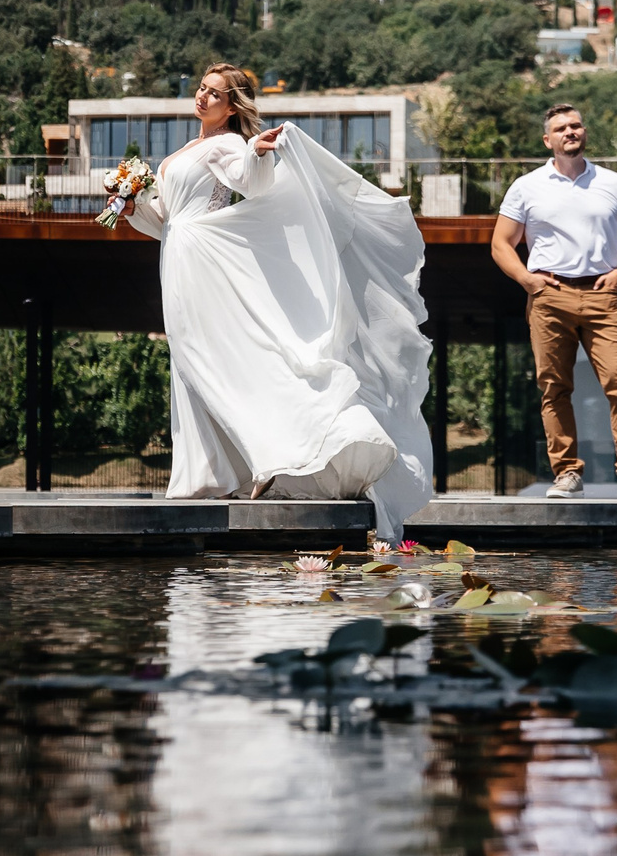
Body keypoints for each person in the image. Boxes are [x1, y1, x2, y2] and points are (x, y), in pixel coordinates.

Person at [112, 64, 432, 539]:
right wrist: (129, 199)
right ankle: (214, 474)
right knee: (190, 361)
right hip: (178, 255)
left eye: (215, 94)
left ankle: (266, 459)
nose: (203, 97)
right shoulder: (187, 149)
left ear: (232, 106)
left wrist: (258, 154)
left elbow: (252, 182)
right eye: (201, 88)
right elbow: (165, 220)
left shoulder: (226, 144)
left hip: (205, 263)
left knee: (208, 360)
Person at [490, 104, 617, 500]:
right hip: (550, 296)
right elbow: (500, 243)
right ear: (548, 140)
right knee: (554, 388)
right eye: (561, 128)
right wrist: (527, 280)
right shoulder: (527, 186)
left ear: (585, 132)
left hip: (603, 296)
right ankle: (566, 474)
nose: (570, 131)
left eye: (576, 125)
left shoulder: (615, 184)